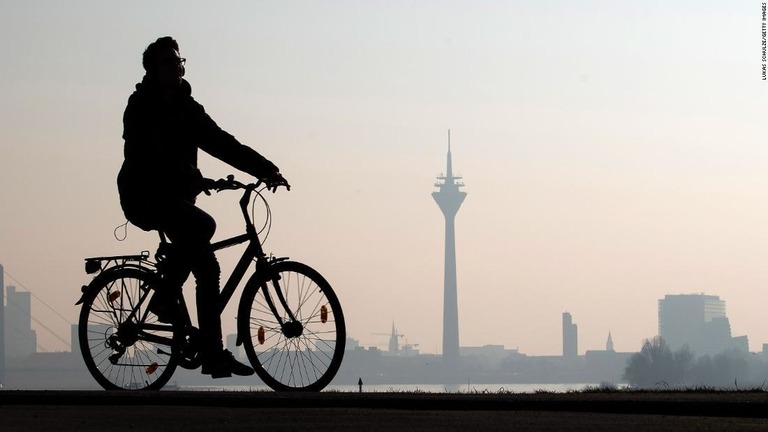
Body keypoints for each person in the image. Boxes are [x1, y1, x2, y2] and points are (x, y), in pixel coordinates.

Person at [117, 36, 288, 378]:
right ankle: (179, 315)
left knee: (203, 259)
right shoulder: (140, 106)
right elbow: (150, 156)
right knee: (204, 234)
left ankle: (198, 338)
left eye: (180, 61)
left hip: (177, 199)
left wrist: (265, 168)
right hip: (144, 196)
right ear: (153, 69)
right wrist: (192, 177)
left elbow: (221, 142)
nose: (177, 67)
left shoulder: (187, 108)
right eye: (169, 62)